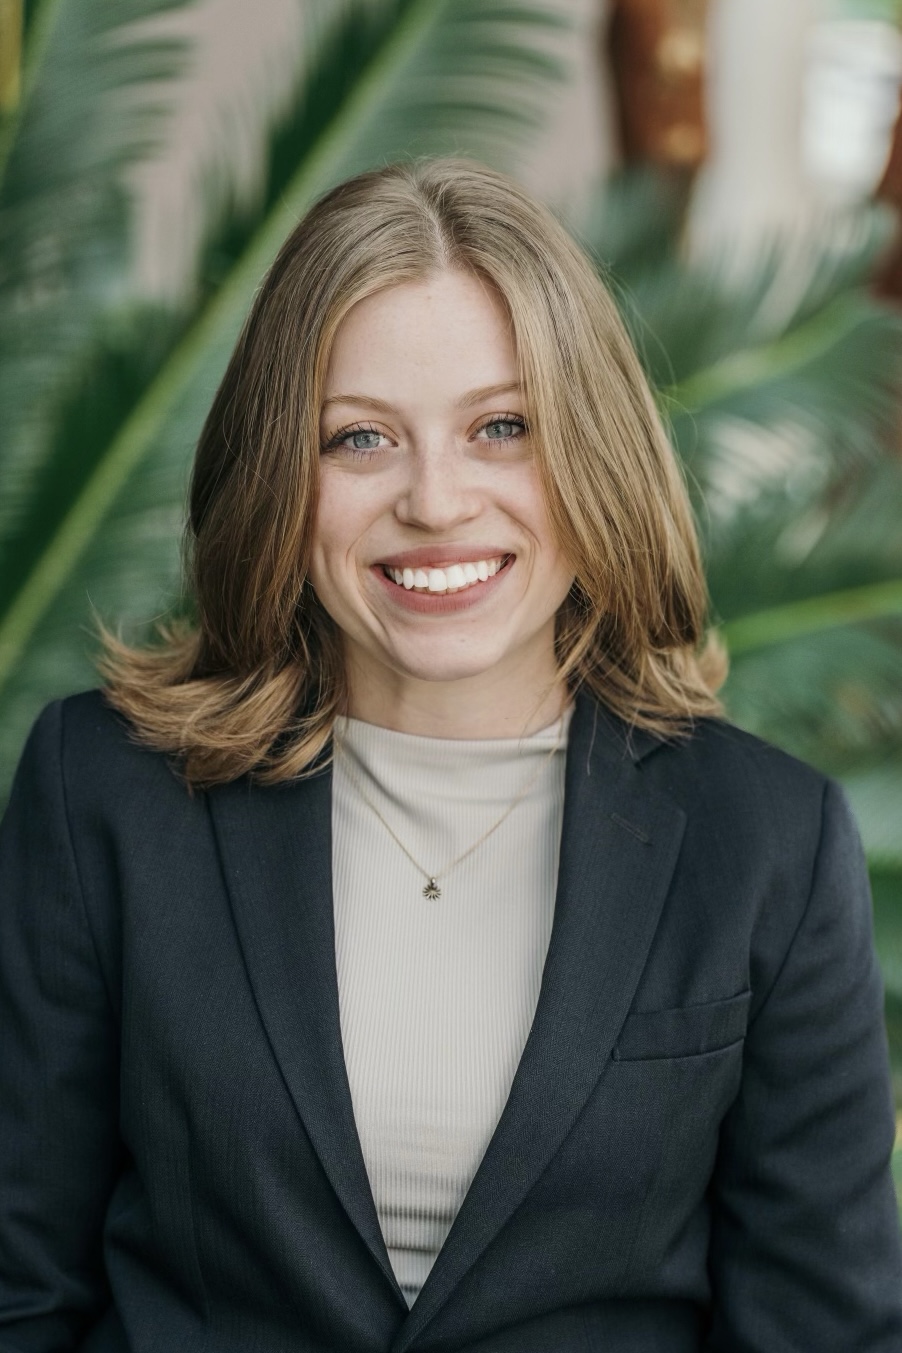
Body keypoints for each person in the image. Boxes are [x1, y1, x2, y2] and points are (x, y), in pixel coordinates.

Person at [1, 157, 900, 1353]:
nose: (435, 501)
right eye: (360, 437)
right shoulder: (99, 791)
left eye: (501, 428)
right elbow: (22, 1288)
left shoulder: (767, 843)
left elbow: (823, 1332)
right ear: (281, 474)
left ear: (594, 451)